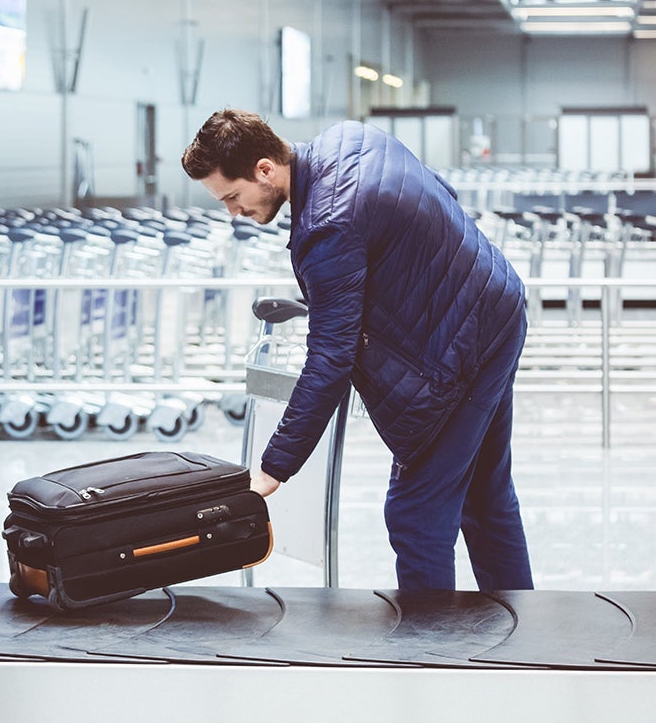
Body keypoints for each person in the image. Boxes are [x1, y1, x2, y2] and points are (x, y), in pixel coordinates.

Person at [181, 109, 532, 591]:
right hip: (494, 303)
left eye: (233, 197)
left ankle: (431, 655)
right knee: (486, 498)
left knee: (416, 514)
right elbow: (436, 196)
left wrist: (271, 470)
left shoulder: (325, 225)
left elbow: (331, 359)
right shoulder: (349, 139)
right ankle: (521, 634)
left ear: (265, 169)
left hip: (462, 346)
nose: (233, 213)